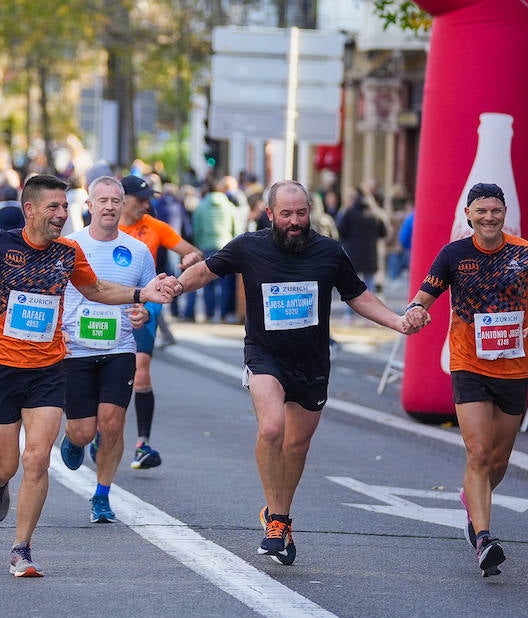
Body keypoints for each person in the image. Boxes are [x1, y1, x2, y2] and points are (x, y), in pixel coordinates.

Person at [0, 173, 175, 578]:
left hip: (48, 369)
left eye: (65, 207)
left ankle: (21, 548)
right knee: (4, 465)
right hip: (1, 370)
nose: (63, 214)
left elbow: (94, 289)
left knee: (38, 458)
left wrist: (140, 294)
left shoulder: (67, 251)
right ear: (30, 209)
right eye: (54, 207)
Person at [171, 179, 415, 566]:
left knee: (297, 447)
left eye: (301, 213)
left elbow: (358, 295)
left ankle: (277, 515)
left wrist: (396, 321)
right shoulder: (249, 246)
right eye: (286, 214)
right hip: (265, 354)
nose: (295, 221)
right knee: (271, 429)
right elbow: (206, 271)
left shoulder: (328, 251)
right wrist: (172, 288)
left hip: (312, 362)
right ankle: (278, 520)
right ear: (270, 214)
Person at [403, 182, 528, 577]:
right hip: (469, 365)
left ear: (504, 213)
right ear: (468, 214)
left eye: (495, 210)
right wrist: (414, 312)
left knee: (497, 461)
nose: (489, 217)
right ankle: (483, 539)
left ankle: (471, 496)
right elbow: (423, 297)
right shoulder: (454, 254)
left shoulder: (526, 253)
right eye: (481, 211)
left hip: (515, 367)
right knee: (478, 452)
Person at [56, 175, 156, 523]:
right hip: (76, 351)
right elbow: (52, 297)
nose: (110, 206)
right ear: (90, 206)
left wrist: (146, 312)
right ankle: (74, 440)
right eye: (103, 200)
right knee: (83, 430)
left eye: (116, 200)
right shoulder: (68, 246)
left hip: (120, 349)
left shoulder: (139, 252)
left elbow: (151, 297)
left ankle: (101, 495)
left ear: (123, 205)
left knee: (112, 424)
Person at [118, 174, 203, 469]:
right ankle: (95, 433)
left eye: (149, 198)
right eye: (141, 199)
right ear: (122, 199)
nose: (147, 203)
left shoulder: (155, 227)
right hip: (106, 307)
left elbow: (193, 252)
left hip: (145, 304)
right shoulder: (104, 226)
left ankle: (142, 444)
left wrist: (189, 261)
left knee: (141, 372)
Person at [191, 177, 243, 323]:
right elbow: (236, 229)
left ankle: (209, 314)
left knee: (207, 282)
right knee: (226, 283)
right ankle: (224, 314)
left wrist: (199, 244)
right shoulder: (229, 206)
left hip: (206, 247)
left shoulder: (200, 206)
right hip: (226, 247)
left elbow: (197, 229)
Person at [336, 186, 389, 292]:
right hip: (371, 255)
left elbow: (341, 230)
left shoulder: (350, 213)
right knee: (369, 284)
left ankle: (351, 307)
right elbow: (383, 233)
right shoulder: (375, 214)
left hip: (353, 254)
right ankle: (369, 307)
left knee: (353, 283)